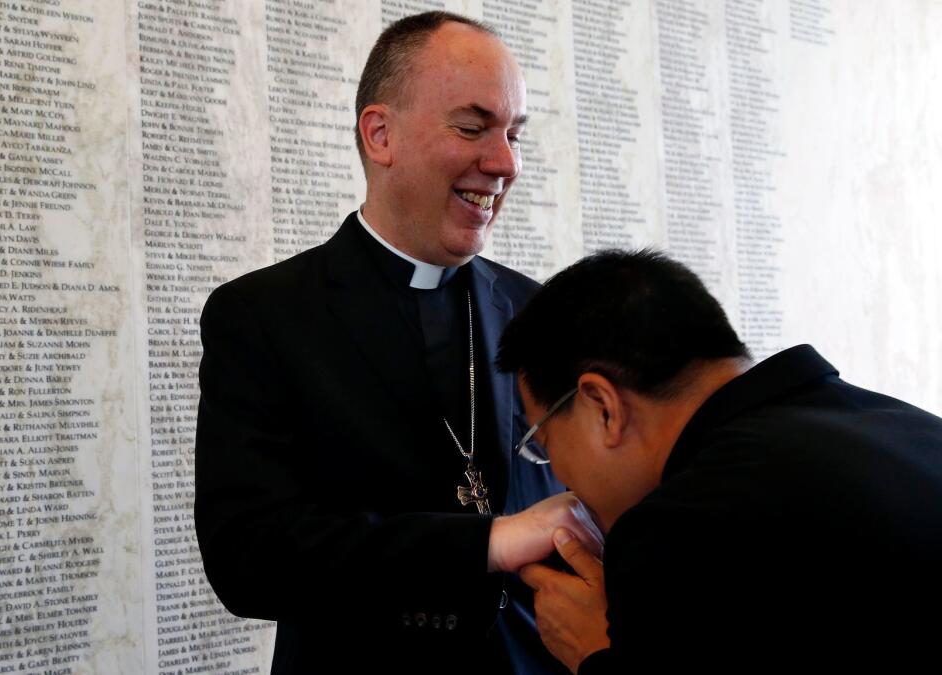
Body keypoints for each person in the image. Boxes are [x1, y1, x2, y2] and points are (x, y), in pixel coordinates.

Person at [195, 12, 601, 674]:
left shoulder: (543, 311)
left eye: (513, 134)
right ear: (381, 135)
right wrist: (485, 542)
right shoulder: (263, 316)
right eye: (472, 128)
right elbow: (249, 557)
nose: (504, 163)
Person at [496, 249, 942, 674]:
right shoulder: (903, 426)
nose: (557, 473)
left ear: (603, 407)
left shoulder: (679, 526)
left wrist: (594, 653)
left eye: (545, 440)